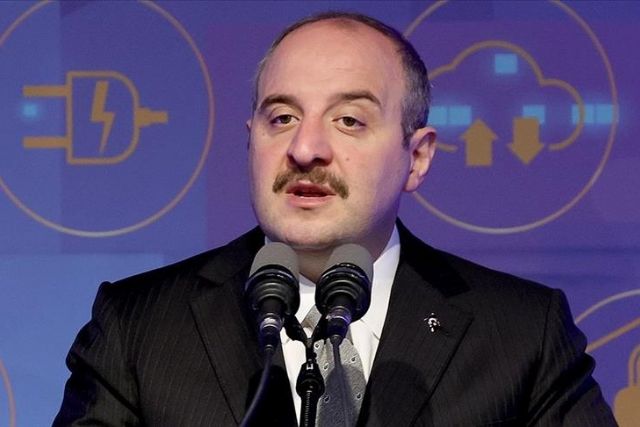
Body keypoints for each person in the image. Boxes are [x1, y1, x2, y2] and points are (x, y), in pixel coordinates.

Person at [53, 11, 617, 427]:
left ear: (417, 157)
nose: (305, 149)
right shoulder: (139, 328)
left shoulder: (522, 335)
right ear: (250, 141)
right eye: (282, 118)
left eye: (349, 120)